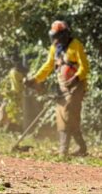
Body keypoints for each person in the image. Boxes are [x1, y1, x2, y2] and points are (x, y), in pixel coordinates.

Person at [25, 20, 90, 157]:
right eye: (54, 36)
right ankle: (82, 148)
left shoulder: (75, 45)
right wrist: (35, 79)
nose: (55, 39)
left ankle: (63, 151)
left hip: (76, 86)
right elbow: (48, 66)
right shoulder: (55, 48)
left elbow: (84, 66)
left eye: (58, 36)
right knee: (63, 116)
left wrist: (76, 78)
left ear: (65, 34)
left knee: (67, 113)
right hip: (62, 86)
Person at [0, 59, 27, 133]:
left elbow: (18, 89)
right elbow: (13, 87)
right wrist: (3, 92)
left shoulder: (17, 74)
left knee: (4, 115)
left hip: (18, 98)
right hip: (14, 97)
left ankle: (0, 131)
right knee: (4, 114)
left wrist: (3, 93)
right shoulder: (13, 73)